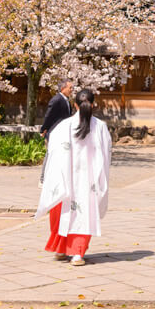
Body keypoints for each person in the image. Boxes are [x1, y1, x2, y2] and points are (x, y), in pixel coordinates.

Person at [35, 87, 111, 266]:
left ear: (74, 104)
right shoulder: (100, 127)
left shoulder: (63, 126)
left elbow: (53, 154)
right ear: (93, 104)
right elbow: (106, 156)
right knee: (84, 213)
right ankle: (77, 254)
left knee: (63, 213)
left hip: (66, 179)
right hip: (88, 181)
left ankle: (61, 249)